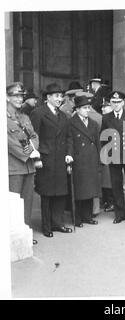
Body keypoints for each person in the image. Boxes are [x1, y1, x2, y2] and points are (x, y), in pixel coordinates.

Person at [30, 83, 73, 237]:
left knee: (60, 193)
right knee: (47, 194)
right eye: (56, 96)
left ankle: (58, 224)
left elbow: (69, 137)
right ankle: (47, 226)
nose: (59, 99)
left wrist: (69, 153)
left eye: (61, 96)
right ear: (48, 97)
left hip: (61, 159)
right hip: (46, 160)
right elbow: (33, 137)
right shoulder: (38, 113)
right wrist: (37, 158)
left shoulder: (64, 116)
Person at [7, 82, 41, 245]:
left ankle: (25, 233)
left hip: (28, 167)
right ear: (7, 97)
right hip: (14, 167)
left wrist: (32, 149)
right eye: (16, 96)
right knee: (13, 203)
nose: (20, 99)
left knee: (27, 202)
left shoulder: (24, 117)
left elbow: (34, 136)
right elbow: (9, 143)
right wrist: (29, 152)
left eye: (21, 96)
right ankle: (12, 236)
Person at [101, 91, 125, 224]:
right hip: (114, 155)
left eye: (118, 102)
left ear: (123, 102)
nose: (116, 104)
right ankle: (119, 213)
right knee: (116, 186)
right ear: (110, 103)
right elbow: (103, 137)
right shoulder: (106, 118)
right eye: (113, 102)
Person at [66, 93, 101, 227]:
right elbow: (69, 141)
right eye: (85, 108)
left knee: (90, 190)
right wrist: (69, 157)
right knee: (79, 192)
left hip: (91, 159)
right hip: (78, 161)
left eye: (88, 108)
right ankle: (78, 218)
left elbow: (97, 143)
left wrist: (99, 160)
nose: (88, 110)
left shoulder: (93, 123)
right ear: (78, 109)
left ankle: (88, 216)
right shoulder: (71, 123)